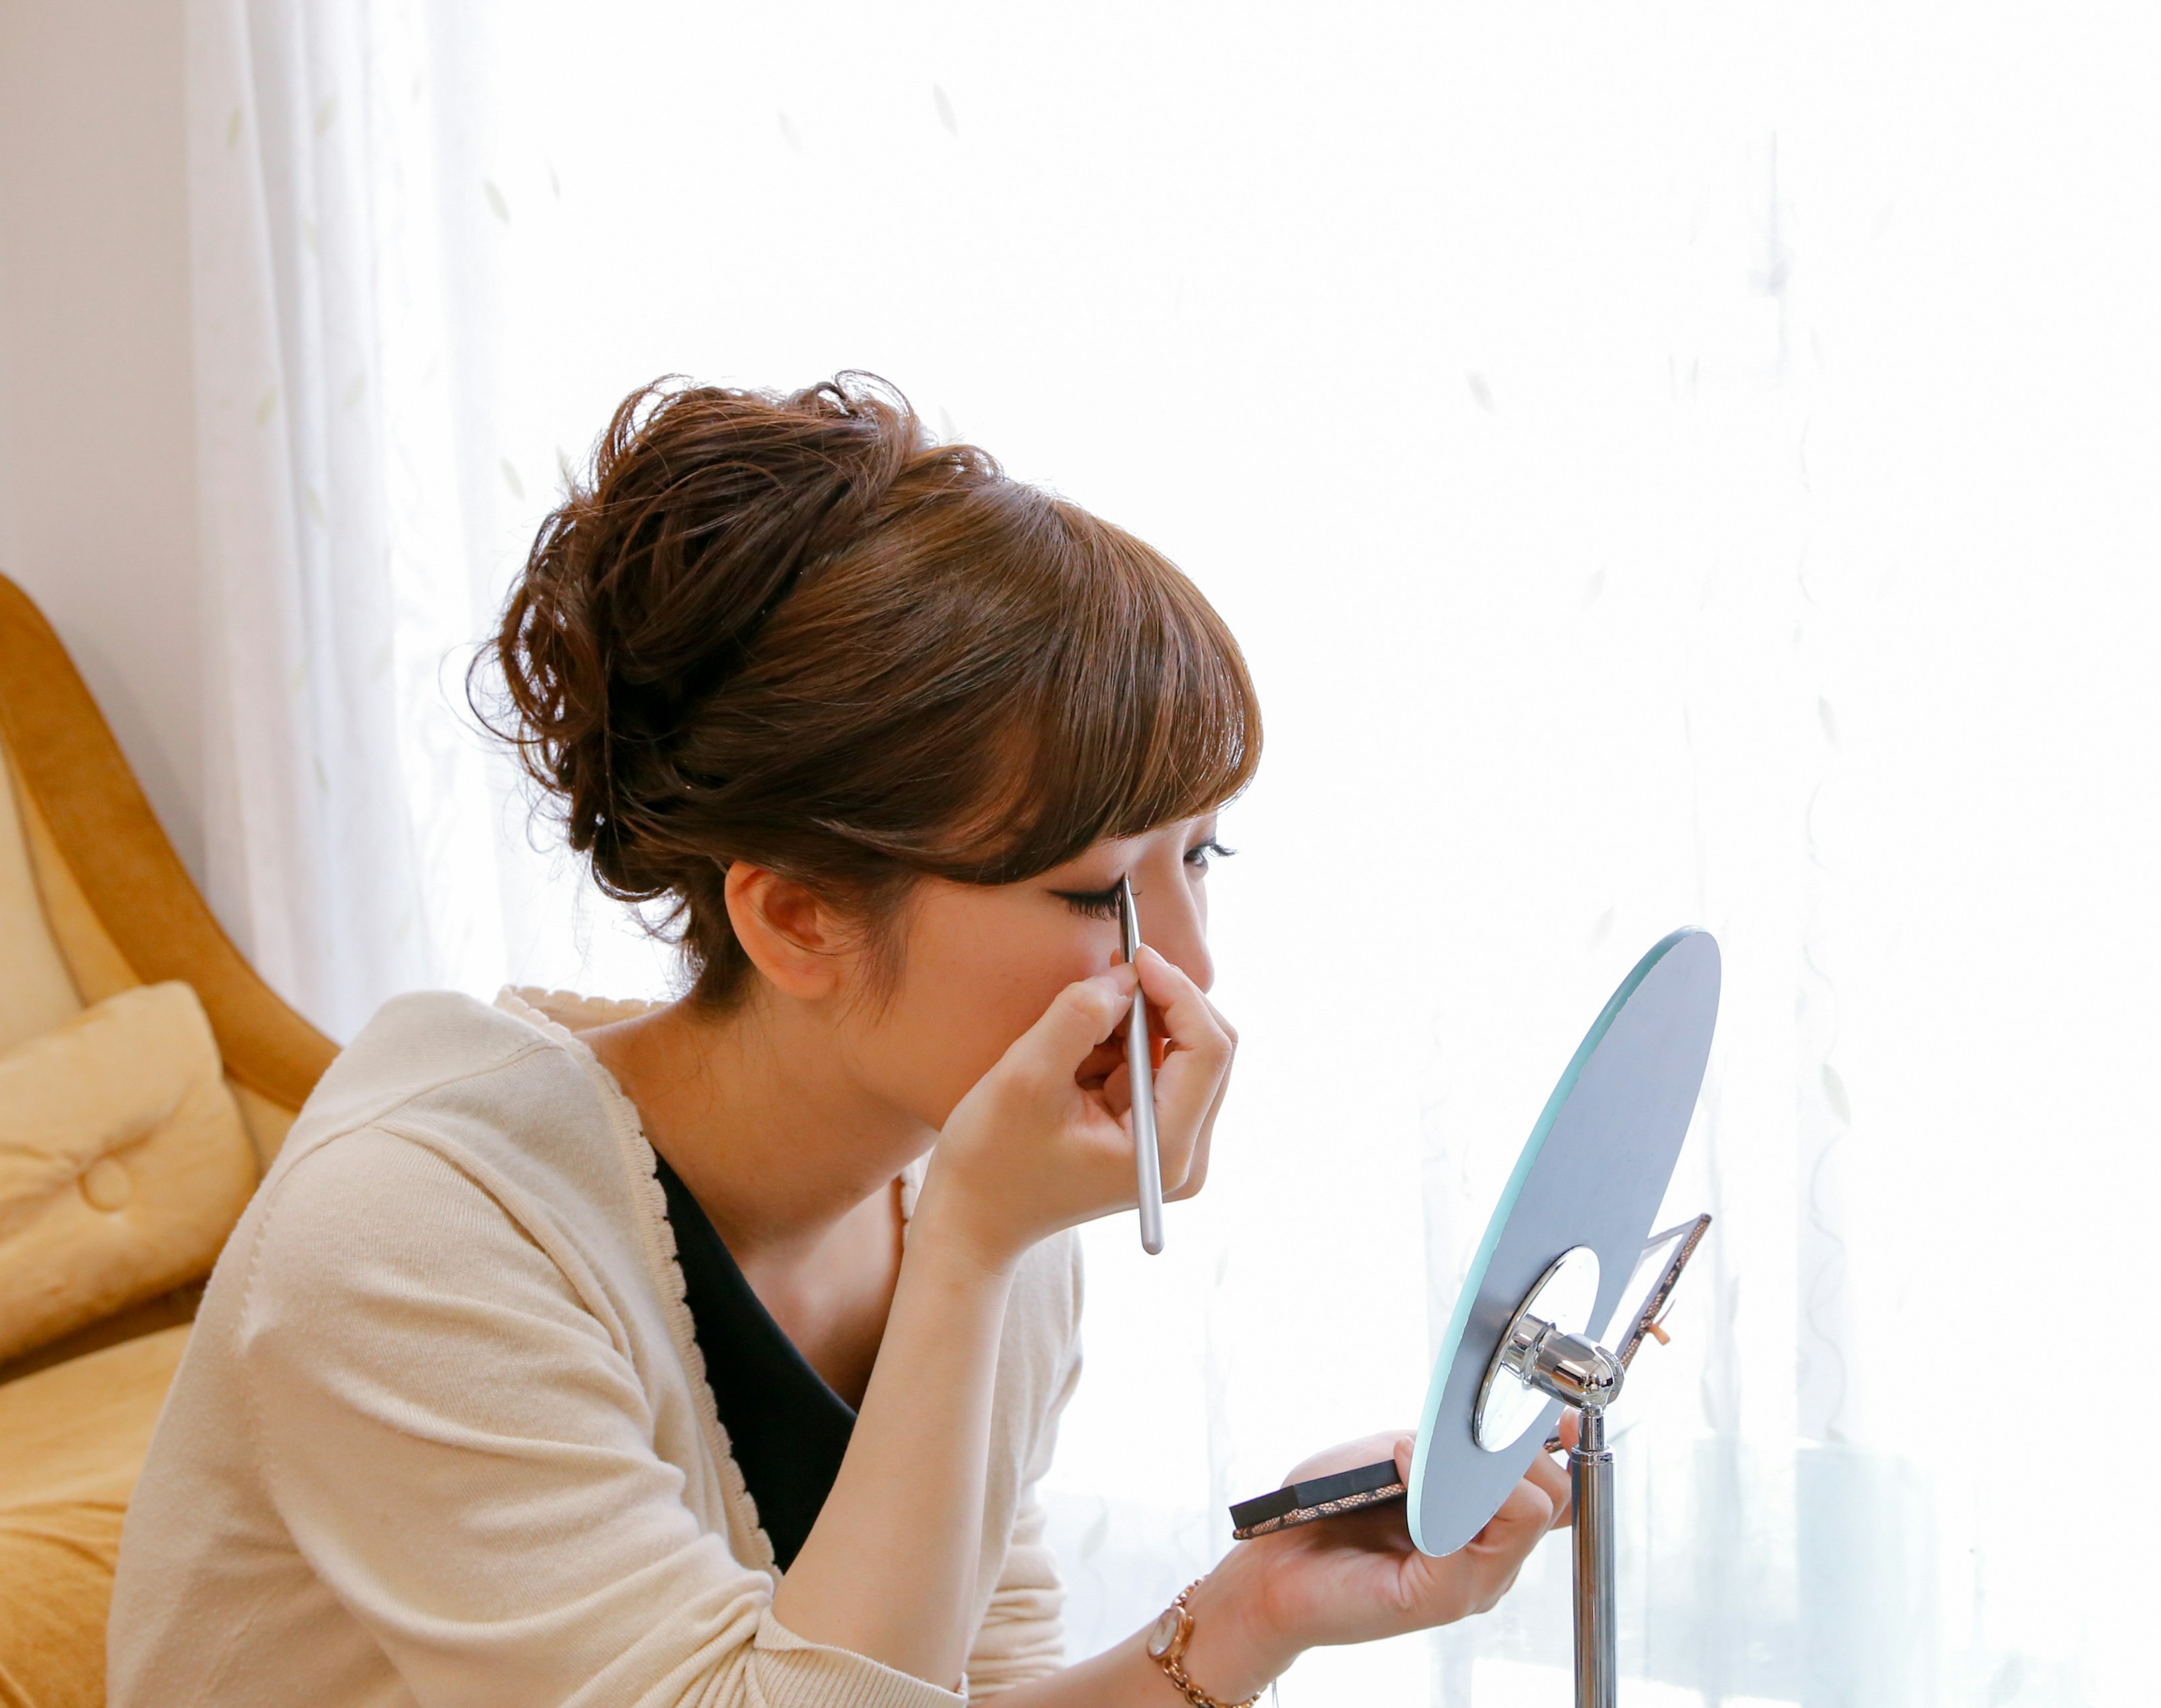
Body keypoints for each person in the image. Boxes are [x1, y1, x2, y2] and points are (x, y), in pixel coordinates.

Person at [108, 375, 1574, 1707]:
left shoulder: (983, 1193)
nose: (1186, 967)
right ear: (797, 917)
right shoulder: (411, 1237)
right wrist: (973, 1259)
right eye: (1092, 892)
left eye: (1203, 858)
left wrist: (1251, 1612)